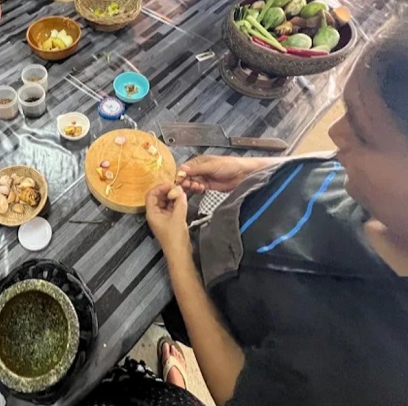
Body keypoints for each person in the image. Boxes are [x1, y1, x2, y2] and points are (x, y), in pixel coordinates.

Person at [145, 30, 408, 405]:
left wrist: (178, 252)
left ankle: (174, 378)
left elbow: (236, 389)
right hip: (221, 240)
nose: (334, 133)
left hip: (212, 294)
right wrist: (253, 171)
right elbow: (329, 168)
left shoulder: (375, 364)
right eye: (344, 111)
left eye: (362, 134)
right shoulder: (383, 192)